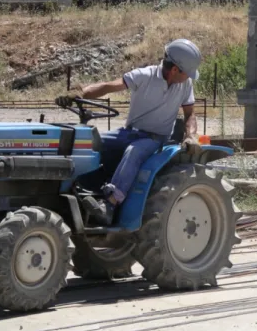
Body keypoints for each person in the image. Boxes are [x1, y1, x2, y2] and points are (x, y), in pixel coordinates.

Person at [56, 38, 203, 225]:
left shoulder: (185, 85)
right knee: (87, 141)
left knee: (134, 151)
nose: (189, 77)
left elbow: (190, 114)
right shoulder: (144, 75)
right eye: (188, 73)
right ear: (175, 69)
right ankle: (74, 190)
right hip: (129, 132)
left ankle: (110, 204)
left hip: (155, 139)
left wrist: (191, 136)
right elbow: (109, 86)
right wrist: (80, 93)